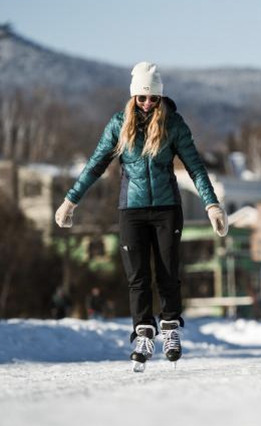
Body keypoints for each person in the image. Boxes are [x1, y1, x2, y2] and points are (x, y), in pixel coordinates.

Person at [54, 62, 228, 372]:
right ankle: (144, 333)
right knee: (137, 277)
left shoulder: (173, 124)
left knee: (167, 271)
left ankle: (171, 330)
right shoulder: (118, 125)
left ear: (161, 98)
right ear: (133, 96)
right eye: (142, 97)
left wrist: (211, 204)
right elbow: (95, 165)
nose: (147, 103)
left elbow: (196, 167)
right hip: (130, 210)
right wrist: (70, 201)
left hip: (166, 209)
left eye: (153, 98)